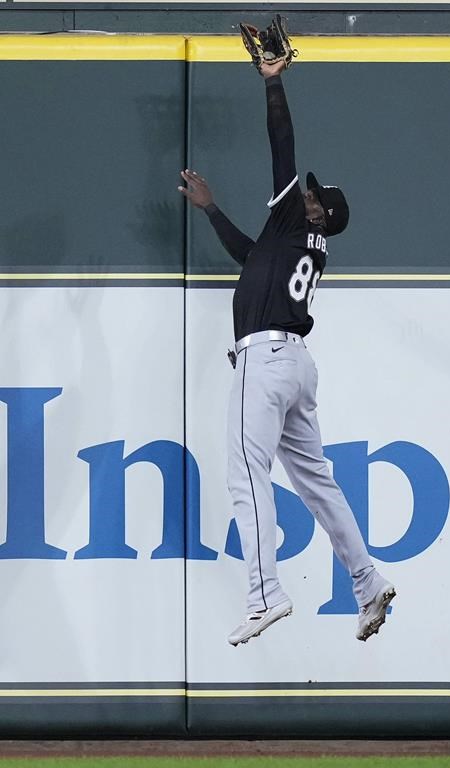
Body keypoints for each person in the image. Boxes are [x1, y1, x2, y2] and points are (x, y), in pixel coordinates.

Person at [178, 58, 396, 646]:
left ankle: (265, 593)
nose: (305, 192)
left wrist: (273, 81)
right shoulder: (300, 240)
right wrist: (213, 209)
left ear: (319, 211)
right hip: (295, 365)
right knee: (318, 483)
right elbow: (251, 258)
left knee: (247, 475)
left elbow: (283, 145)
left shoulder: (294, 219)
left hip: (266, 361)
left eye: (314, 196)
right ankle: (368, 581)